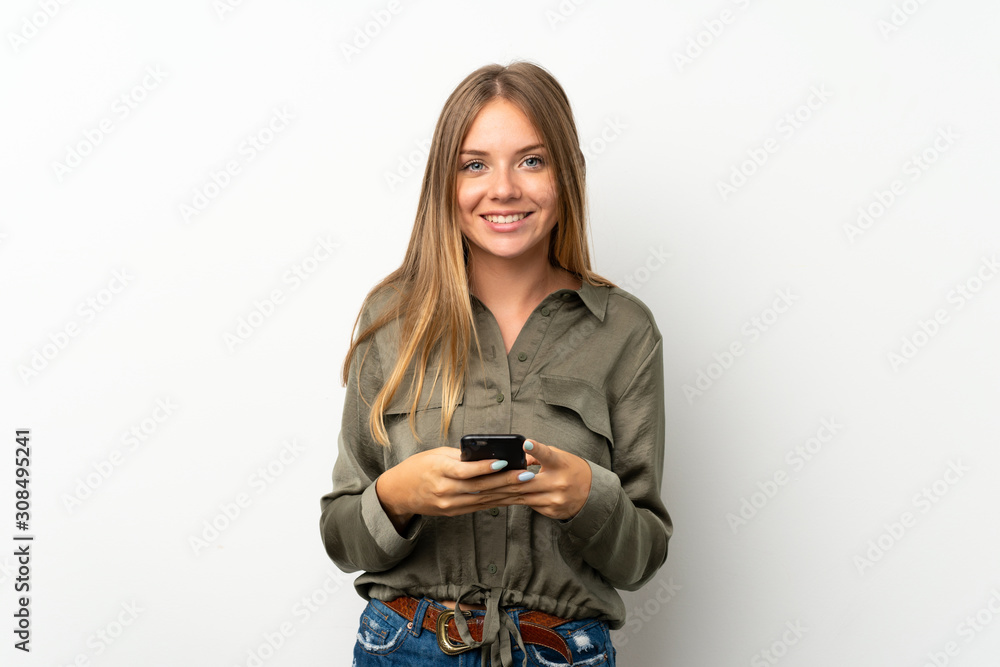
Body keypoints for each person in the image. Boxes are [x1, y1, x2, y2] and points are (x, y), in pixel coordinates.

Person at [320, 61, 671, 667]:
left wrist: (588, 496)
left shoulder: (625, 331)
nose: (504, 187)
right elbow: (341, 537)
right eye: (474, 164)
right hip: (403, 647)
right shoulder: (391, 318)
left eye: (531, 160)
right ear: (444, 183)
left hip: (562, 652)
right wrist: (398, 496)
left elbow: (641, 559)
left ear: (566, 175)